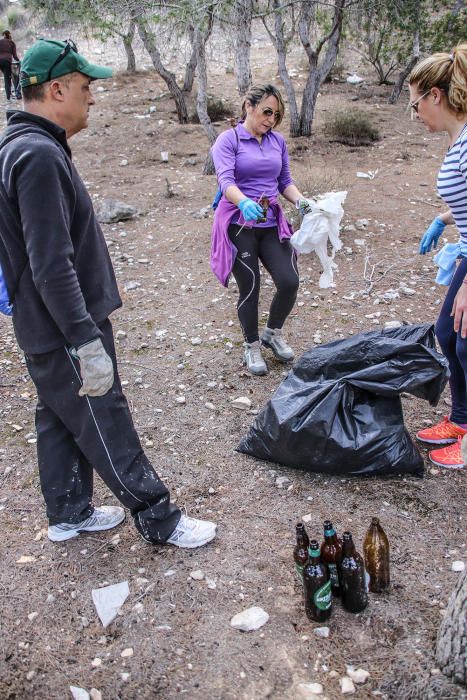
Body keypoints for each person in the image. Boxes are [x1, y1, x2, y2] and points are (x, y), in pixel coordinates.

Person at [0, 39, 217, 547]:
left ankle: (69, 512)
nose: (91, 97)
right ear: (56, 89)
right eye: (84, 86)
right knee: (104, 414)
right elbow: (51, 265)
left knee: (58, 415)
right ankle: (158, 517)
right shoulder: (36, 155)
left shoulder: (22, 146)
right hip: (63, 327)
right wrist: (84, 338)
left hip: (42, 324)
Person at [210, 84, 310, 376]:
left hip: (269, 223)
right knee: (250, 285)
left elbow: (284, 181)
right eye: (266, 111)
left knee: (289, 281)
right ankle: (252, 346)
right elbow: (226, 180)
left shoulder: (277, 142)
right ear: (248, 106)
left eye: (276, 115)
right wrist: (242, 202)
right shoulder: (228, 141)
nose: (270, 119)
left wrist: (302, 202)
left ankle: (272, 334)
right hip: (239, 225)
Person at [409, 43, 467, 469]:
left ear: (435, 95)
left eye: (416, 104)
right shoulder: (459, 140)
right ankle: (460, 420)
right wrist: (444, 218)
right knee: (447, 335)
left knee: (466, 345)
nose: (415, 114)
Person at [0, 30, 19, 102]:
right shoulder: (12, 43)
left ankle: (9, 94)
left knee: (6, 76)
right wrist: (19, 61)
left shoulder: (0, 41)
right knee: (7, 79)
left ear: (4, 35)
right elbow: (15, 56)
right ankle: (8, 97)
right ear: (10, 35)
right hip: (7, 61)